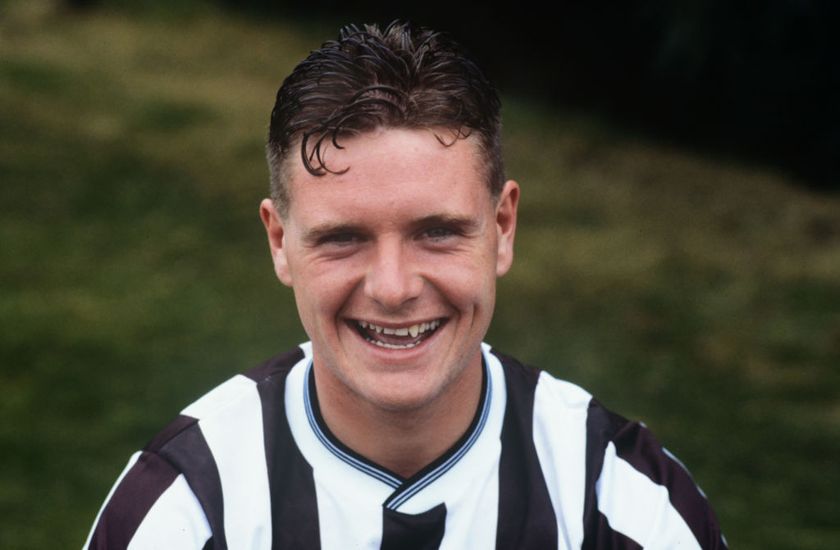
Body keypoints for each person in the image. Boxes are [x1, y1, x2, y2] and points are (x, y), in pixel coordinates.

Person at [84, 21, 727, 549]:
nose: (392, 288)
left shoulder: (622, 506)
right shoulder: (188, 511)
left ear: (502, 227)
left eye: (437, 232)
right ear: (280, 241)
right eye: (343, 238)